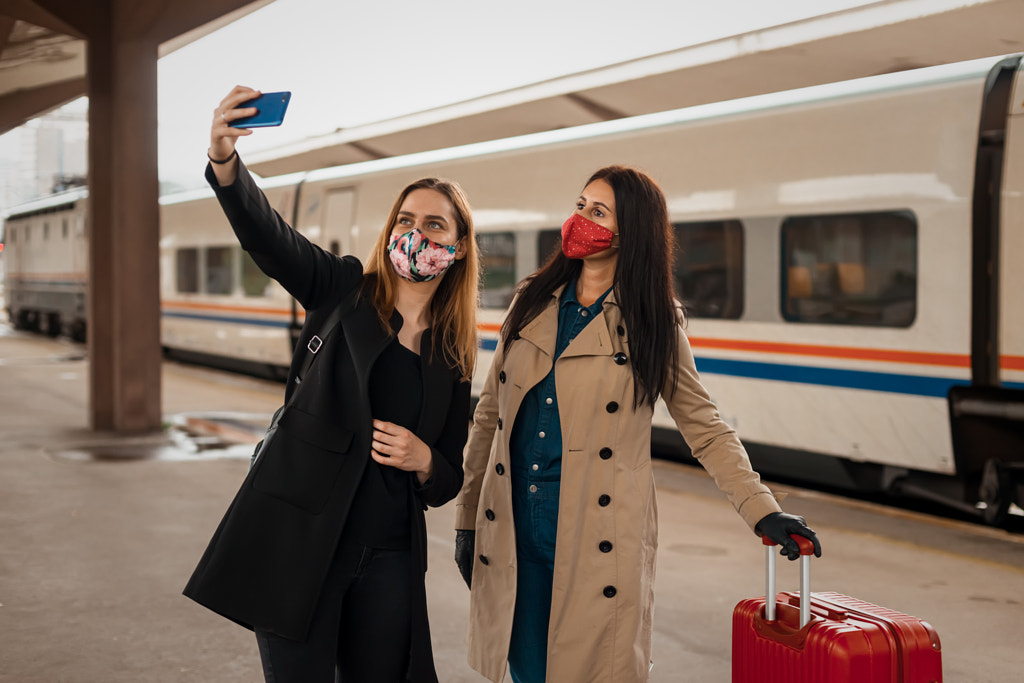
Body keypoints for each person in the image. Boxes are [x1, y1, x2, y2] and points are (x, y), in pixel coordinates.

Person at [453, 165, 822, 683]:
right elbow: (489, 414)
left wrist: (762, 510)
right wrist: (467, 517)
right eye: (580, 206)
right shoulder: (531, 301)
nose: (580, 220)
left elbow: (704, 426)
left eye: (598, 212)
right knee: (528, 670)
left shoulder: (653, 321)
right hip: (513, 522)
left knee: (589, 671)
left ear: (631, 232)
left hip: (596, 529)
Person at [184, 86, 480, 683]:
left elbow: (449, 476)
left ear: (458, 246)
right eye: (405, 220)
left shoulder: (453, 352)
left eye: (433, 225)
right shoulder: (342, 290)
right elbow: (269, 238)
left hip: (390, 559)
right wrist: (225, 160)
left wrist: (424, 459)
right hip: (302, 547)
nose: (416, 233)